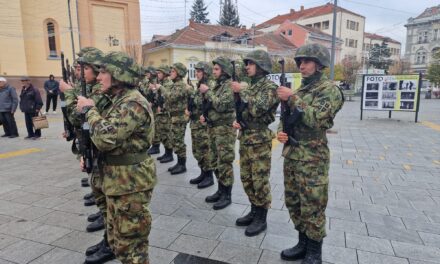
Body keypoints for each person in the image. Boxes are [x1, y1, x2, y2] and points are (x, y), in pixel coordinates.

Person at [77, 51, 156, 264]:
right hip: (117, 181)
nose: (99, 76)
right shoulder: (118, 100)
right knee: (118, 241)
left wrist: (89, 110)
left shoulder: (133, 103)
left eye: (104, 71)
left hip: (130, 184)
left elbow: (106, 138)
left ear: (119, 75)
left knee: (132, 248)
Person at [276, 43, 344, 263]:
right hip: (293, 155)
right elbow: (285, 118)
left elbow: (317, 119)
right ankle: (302, 242)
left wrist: (292, 98)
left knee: (312, 205)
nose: (301, 66)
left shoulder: (329, 90)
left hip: (312, 159)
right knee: (294, 202)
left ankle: (315, 250)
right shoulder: (300, 90)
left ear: (319, 64)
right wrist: (281, 133)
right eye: (300, 62)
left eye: (306, 61)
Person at [231, 50, 280, 236]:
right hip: (246, 137)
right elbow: (244, 109)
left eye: (251, 64)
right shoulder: (251, 86)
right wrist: (239, 120)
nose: (247, 67)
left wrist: (241, 90)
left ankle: (262, 217)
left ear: (261, 66)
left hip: (259, 139)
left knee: (259, 180)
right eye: (247, 63)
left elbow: (258, 108)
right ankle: (254, 210)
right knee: (247, 178)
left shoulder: (270, 88)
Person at [199, 56, 235, 210]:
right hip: (213, 128)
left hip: (224, 130)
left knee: (224, 162)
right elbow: (211, 105)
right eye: (213, 69)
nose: (213, 72)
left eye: (216, 69)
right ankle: (220, 190)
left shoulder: (229, 86)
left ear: (225, 70)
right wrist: (205, 116)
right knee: (214, 160)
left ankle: (227, 194)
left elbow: (221, 106)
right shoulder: (217, 86)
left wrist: (207, 92)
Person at [187, 62, 214, 189]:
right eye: (196, 71)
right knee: (197, 150)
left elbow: (212, 103)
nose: (196, 73)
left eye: (199, 71)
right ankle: (203, 173)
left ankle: (209, 176)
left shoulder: (209, 86)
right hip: (195, 123)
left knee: (205, 150)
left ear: (205, 72)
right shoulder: (198, 86)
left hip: (203, 124)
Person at [163, 63, 190, 174]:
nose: (170, 73)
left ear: (179, 73)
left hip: (179, 118)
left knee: (178, 141)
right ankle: (179, 163)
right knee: (175, 140)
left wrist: (161, 89)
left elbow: (171, 97)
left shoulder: (181, 86)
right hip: (174, 117)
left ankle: (182, 165)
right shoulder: (174, 85)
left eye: (173, 71)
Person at [154, 65, 174, 163]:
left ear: (165, 74)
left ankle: (170, 154)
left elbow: (169, 96)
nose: (158, 75)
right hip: (161, 112)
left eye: (159, 73)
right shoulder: (160, 83)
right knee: (162, 134)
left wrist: (161, 88)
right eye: (157, 73)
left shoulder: (169, 83)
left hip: (166, 113)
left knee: (167, 133)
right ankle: (166, 152)